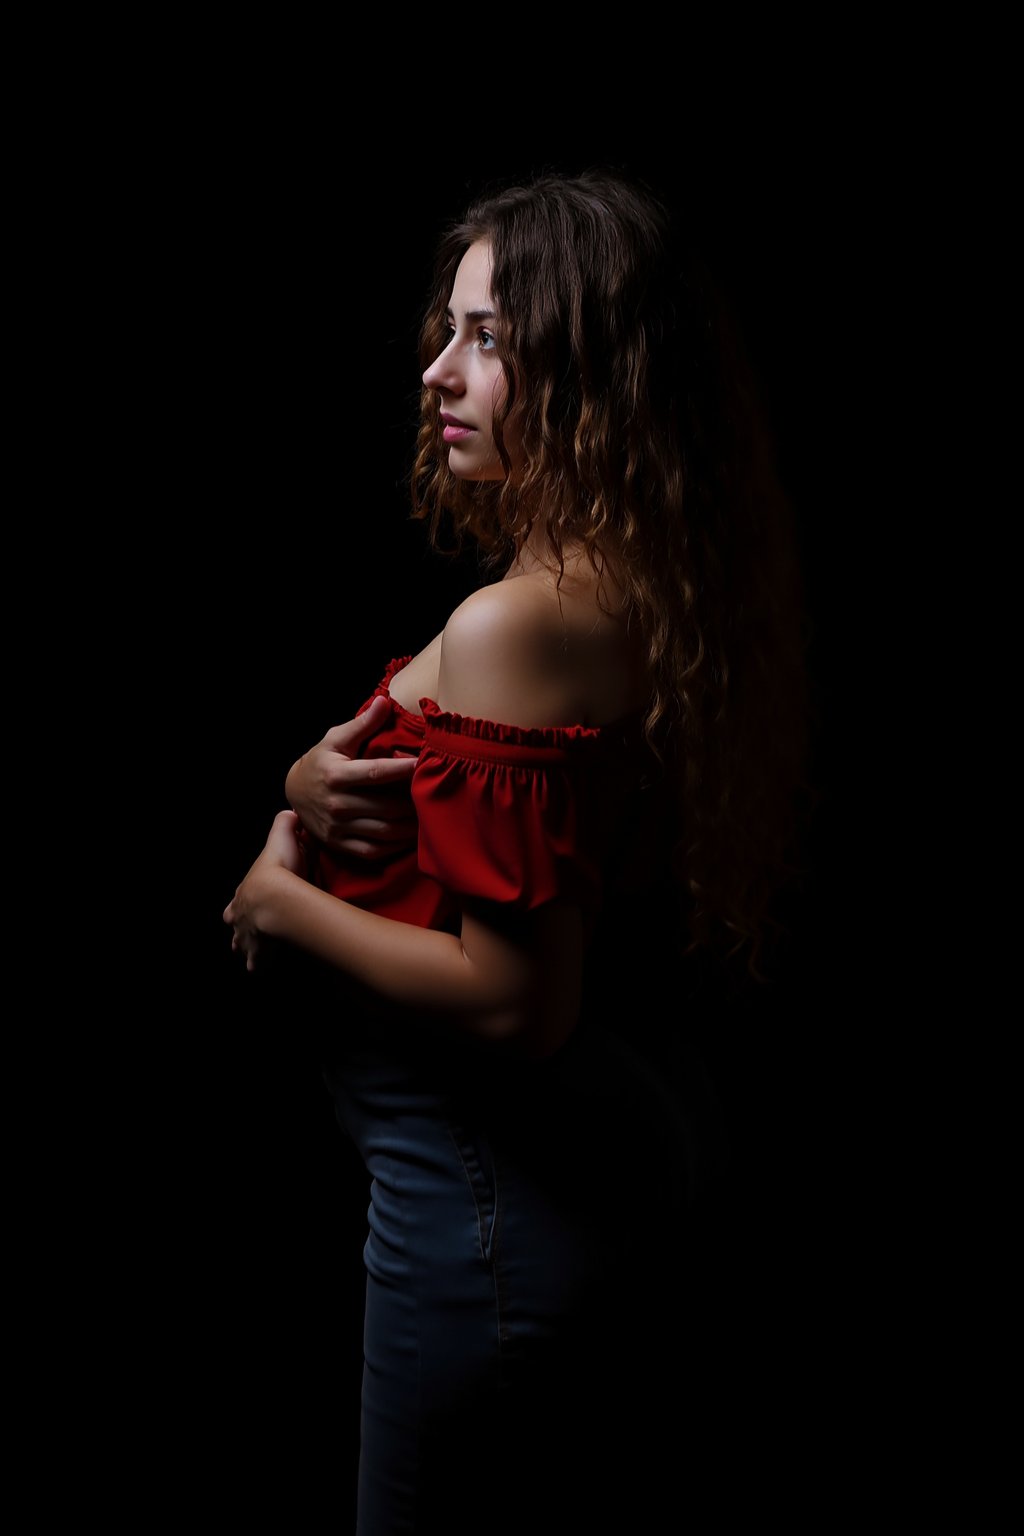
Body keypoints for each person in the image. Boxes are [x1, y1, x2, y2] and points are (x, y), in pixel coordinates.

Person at [224, 167, 809, 1533]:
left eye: (490, 337)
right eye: (448, 329)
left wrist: (279, 902)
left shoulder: (521, 621)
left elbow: (515, 999)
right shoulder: (628, 585)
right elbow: (457, 795)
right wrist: (309, 777)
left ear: (596, 368)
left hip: (488, 1197)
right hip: (566, 1169)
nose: (440, 371)